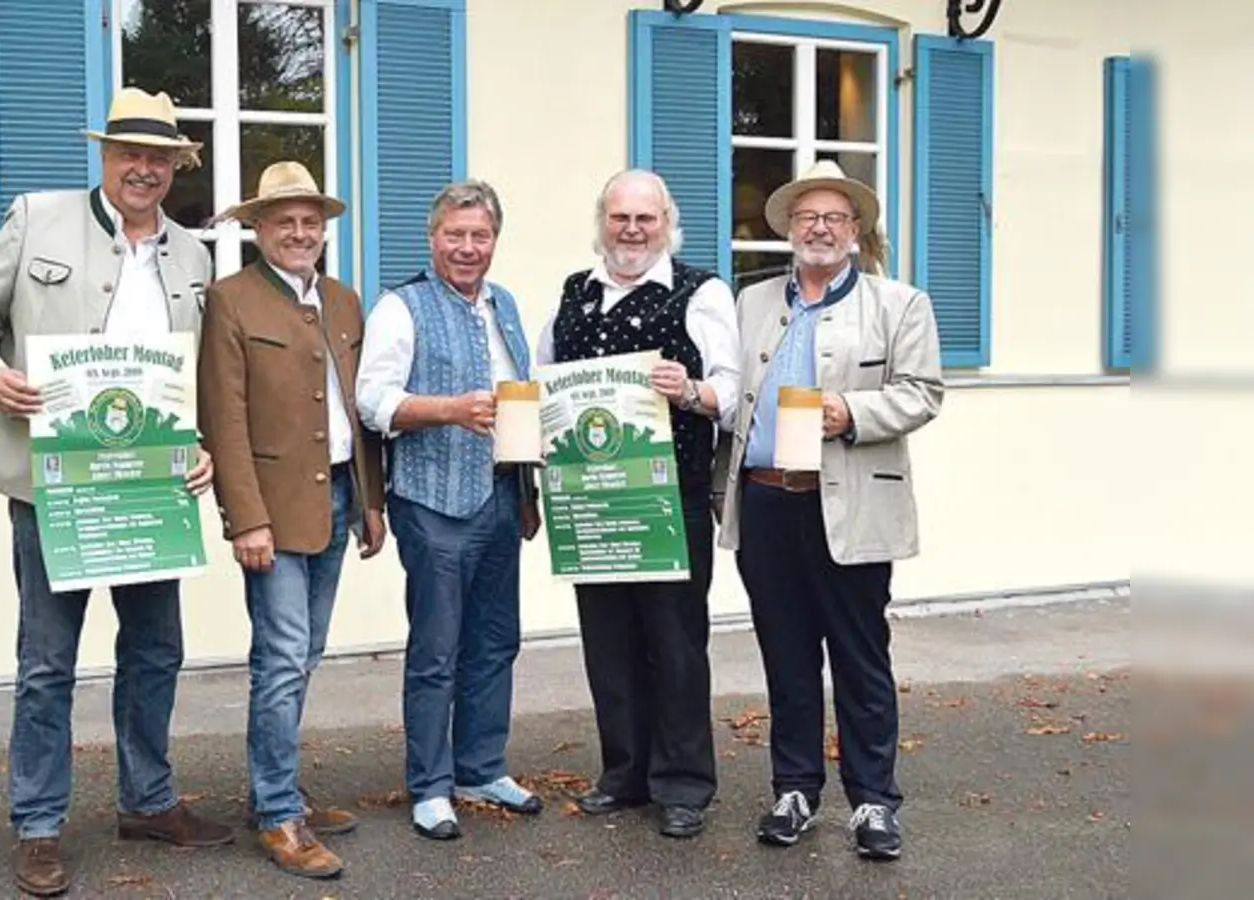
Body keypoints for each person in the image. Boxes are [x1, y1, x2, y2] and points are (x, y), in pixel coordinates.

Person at [0, 87, 234, 897]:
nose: (144, 169)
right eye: (129, 153)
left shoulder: (193, 253)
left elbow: (196, 370)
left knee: (156, 652)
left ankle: (147, 800)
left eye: (160, 157)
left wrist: (200, 444)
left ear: (177, 167)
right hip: (51, 481)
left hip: (150, 485)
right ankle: (38, 823)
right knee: (47, 662)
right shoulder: (38, 217)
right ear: (104, 156)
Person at [713, 160, 943, 861]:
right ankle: (795, 790)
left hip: (849, 505)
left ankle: (873, 802)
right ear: (787, 229)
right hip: (766, 504)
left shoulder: (899, 304)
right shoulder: (750, 303)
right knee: (785, 659)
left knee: (860, 659)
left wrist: (852, 412)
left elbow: (923, 391)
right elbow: (730, 397)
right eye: (807, 217)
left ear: (855, 231)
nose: (820, 228)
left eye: (834, 218)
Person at [537, 169, 741, 839]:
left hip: (665, 495)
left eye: (644, 219)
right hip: (590, 499)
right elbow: (543, 381)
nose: (631, 230)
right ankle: (623, 773)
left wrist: (689, 389)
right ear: (602, 222)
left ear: (666, 223)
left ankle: (683, 784)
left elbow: (733, 393)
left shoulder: (701, 291)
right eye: (619, 217)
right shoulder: (575, 292)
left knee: (675, 645)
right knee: (609, 643)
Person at [197, 161, 387, 879]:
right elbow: (223, 414)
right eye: (284, 222)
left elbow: (355, 411)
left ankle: (272, 789)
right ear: (258, 229)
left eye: (311, 222)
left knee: (304, 656)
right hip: (271, 510)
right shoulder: (232, 300)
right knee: (279, 660)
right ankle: (280, 813)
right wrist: (244, 517)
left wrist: (370, 501)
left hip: (337, 496)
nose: (300, 233)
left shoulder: (342, 299)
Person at [354, 180, 544, 840]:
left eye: (480, 236)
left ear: (495, 240)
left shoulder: (507, 304)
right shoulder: (401, 307)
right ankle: (430, 785)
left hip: (500, 495)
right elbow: (372, 401)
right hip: (432, 500)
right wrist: (448, 410)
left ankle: (480, 765)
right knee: (437, 648)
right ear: (433, 238)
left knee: (496, 641)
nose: (468, 247)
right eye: (455, 235)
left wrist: (528, 491)